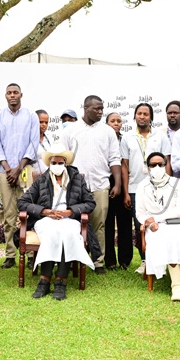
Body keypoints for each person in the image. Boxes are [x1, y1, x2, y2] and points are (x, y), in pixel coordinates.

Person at [18, 144, 96, 301]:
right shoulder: (41, 180)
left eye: (60, 163)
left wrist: (70, 211)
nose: (57, 165)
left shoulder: (77, 179)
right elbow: (22, 202)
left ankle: (61, 280)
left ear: (66, 163)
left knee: (67, 233)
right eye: (54, 162)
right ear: (49, 163)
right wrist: (45, 211)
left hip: (69, 219)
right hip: (46, 219)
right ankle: (45, 280)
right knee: (51, 233)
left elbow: (90, 203)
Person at [60, 95, 122, 274]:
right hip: (74, 187)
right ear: (86, 108)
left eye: (102, 108)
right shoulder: (71, 130)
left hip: (100, 185)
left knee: (99, 224)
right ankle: (72, 259)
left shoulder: (108, 131)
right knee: (72, 223)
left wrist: (117, 184)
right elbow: (62, 158)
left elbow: (114, 159)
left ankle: (98, 261)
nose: (101, 112)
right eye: (97, 109)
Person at [136, 152, 180, 302]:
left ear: (165, 166)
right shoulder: (142, 186)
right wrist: (149, 223)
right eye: (153, 165)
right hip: (159, 227)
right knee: (168, 240)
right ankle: (176, 286)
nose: (157, 168)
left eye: (160, 164)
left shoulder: (177, 183)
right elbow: (140, 213)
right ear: (147, 167)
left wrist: (157, 218)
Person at [0, 83, 40, 269]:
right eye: (9, 93)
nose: (12, 95)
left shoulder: (31, 116)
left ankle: (30, 254)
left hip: (25, 170)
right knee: (9, 213)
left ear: (21, 95)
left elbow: (33, 143)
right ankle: (11, 254)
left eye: (15, 93)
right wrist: (7, 168)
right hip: (5, 171)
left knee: (29, 212)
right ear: (5, 96)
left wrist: (18, 168)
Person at [122, 102, 172, 274]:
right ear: (134, 116)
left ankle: (160, 260)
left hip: (158, 188)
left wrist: (167, 186)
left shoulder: (161, 136)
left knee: (159, 223)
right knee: (140, 225)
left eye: (145, 114)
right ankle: (145, 260)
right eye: (139, 113)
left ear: (151, 117)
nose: (142, 117)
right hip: (135, 189)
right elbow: (124, 166)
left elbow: (167, 162)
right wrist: (126, 192)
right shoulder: (128, 137)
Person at [103, 112, 132, 270]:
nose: (116, 123)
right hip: (106, 181)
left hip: (124, 181)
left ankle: (125, 260)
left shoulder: (125, 139)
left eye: (119, 121)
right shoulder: (102, 138)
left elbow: (126, 164)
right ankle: (109, 260)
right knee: (107, 221)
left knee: (125, 220)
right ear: (106, 123)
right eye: (112, 121)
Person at [31, 110, 53, 178]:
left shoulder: (50, 139)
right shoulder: (29, 140)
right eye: (41, 122)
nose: (44, 125)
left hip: (50, 177)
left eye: (46, 122)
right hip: (34, 178)